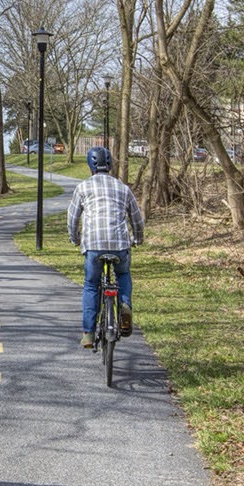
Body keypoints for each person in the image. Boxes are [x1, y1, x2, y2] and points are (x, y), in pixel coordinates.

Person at [66, 146, 144, 348]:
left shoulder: (83, 188)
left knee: (92, 284)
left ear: (90, 166)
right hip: (119, 245)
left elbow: (72, 218)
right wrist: (138, 238)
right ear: (110, 165)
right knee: (123, 274)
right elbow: (136, 218)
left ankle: (89, 334)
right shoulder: (123, 188)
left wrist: (74, 238)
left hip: (93, 246)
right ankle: (125, 305)